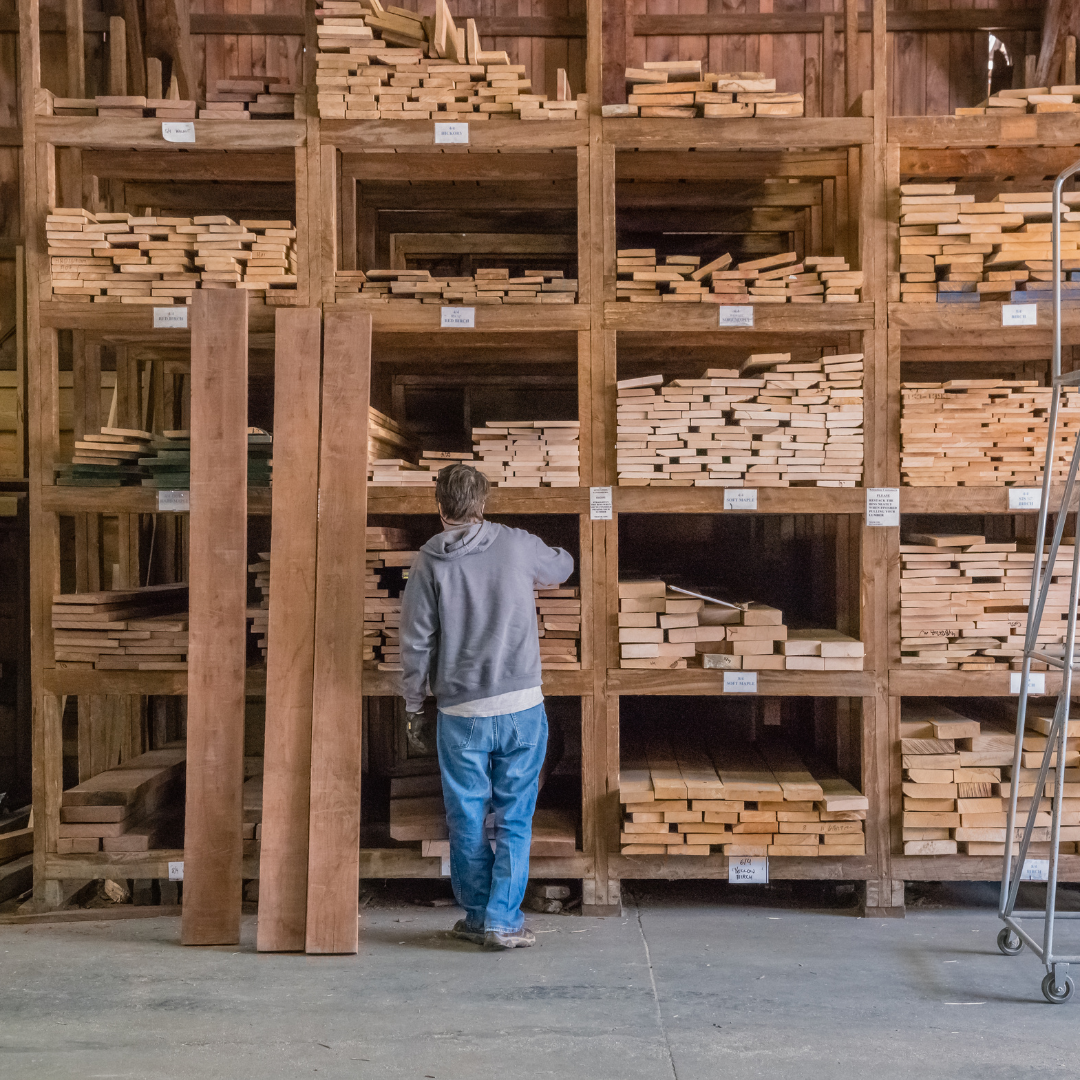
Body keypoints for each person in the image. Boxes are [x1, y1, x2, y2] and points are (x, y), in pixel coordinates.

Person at [399, 463, 573, 949]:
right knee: (516, 816)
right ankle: (502, 919)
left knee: (467, 818)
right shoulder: (517, 544)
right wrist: (550, 550)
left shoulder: (427, 562)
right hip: (520, 706)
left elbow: (415, 643)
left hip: (461, 714)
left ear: (439, 507)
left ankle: (478, 917)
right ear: (484, 502)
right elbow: (561, 567)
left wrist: (414, 704)